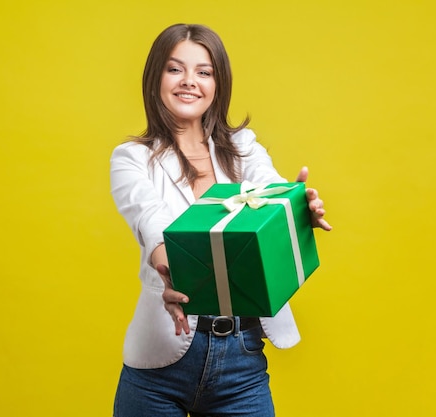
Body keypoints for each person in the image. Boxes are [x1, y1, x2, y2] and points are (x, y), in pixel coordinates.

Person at [110, 23, 332, 417]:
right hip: (160, 368)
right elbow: (149, 217)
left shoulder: (243, 147)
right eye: (175, 69)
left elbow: (271, 189)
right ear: (155, 77)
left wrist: (298, 207)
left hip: (242, 359)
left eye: (204, 71)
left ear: (218, 83)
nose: (189, 82)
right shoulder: (131, 158)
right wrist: (167, 264)